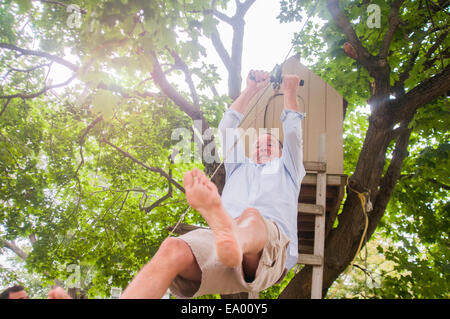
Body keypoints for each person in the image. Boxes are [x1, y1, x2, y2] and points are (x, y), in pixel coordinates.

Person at [120, 70, 305, 299]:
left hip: (272, 251)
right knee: (171, 249)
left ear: (281, 152)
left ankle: (234, 234)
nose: (262, 148)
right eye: (257, 145)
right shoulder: (239, 167)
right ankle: (230, 234)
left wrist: (290, 92)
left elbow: (294, 135)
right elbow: (227, 127)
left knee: (251, 217)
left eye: (269, 144)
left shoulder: (289, 169)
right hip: (221, 244)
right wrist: (251, 89)